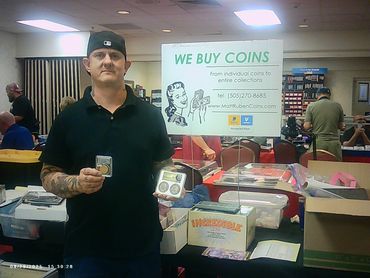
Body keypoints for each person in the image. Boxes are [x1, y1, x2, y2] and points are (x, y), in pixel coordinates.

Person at [39, 31, 174, 277]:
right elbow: (48, 175)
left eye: (115, 55)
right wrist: (76, 183)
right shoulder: (69, 118)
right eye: (99, 55)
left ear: (127, 66)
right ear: (87, 64)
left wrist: (170, 182)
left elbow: (164, 165)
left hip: (141, 245)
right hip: (86, 249)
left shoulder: (151, 116)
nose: (107, 61)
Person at [303, 87, 345, 161]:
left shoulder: (311, 106)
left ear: (317, 95)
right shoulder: (338, 106)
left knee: (316, 168)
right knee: (335, 168)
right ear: (329, 95)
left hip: (319, 142)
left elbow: (307, 126)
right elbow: (342, 127)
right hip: (334, 143)